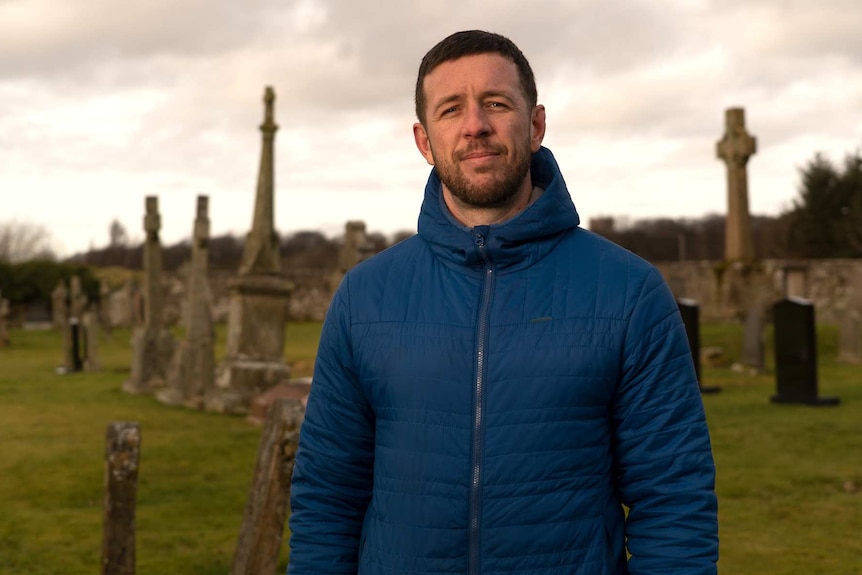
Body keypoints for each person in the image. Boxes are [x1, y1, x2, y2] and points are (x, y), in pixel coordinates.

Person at [288, 30, 718, 575]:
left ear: (535, 124)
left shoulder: (629, 293)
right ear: (424, 141)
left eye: (496, 103)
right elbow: (327, 496)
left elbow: (674, 497)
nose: (475, 126)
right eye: (451, 109)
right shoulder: (365, 297)